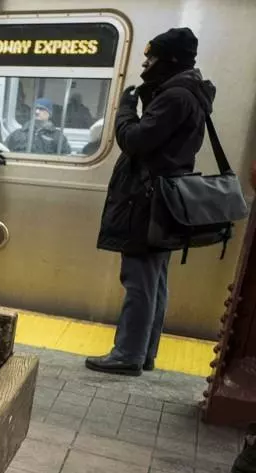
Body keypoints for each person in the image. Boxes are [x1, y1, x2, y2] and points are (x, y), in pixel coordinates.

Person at [86, 28, 214, 376]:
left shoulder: (176, 96)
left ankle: (127, 354)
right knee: (155, 280)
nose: (145, 63)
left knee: (139, 279)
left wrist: (125, 111)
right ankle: (144, 353)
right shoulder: (189, 92)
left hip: (147, 200)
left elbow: (137, 141)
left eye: (152, 57)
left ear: (170, 59)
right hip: (163, 199)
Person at [4, 98, 72, 155]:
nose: (37, 112)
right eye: (35, 109)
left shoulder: (57, 137)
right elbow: (3, 152)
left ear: (49, 114)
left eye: (41, 109)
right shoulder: (17, 134)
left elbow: (65, 158)